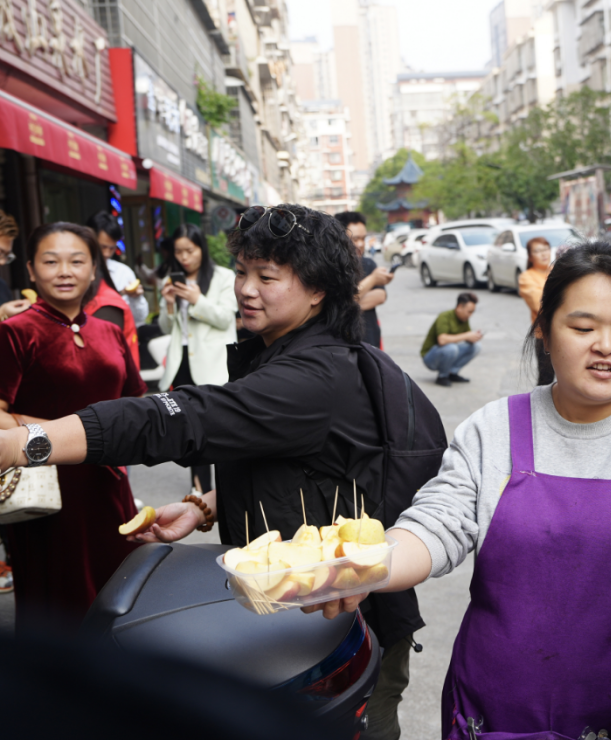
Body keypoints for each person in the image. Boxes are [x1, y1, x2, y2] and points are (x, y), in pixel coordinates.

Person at [0, 205, 433, 740]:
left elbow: (176, 418)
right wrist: (207, 503)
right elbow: (285, 458)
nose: (246, 289)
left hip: (339, 629)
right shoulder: (282, 350)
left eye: (267, 277)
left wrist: (23, 443)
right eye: (244, 272)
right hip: (293, 613)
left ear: (318, 291)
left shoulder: (313, 375)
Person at [382, 241, 611, 737]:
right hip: (499, 707)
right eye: (583, 328)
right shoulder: (493, 428)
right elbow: (437, 523)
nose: (606, 345)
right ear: (543, 330)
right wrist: (363, 567)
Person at [0, 223, 145, 632]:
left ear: (94, 267)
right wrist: (75, 436)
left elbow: (135, 403)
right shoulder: (14, 333)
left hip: (109, 481)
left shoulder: (111, 332)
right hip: (46, 490)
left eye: (77, 260)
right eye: (50, 261)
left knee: (117, 590)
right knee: (58, 604)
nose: (65, 270)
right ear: (30, 270)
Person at [156, 224, 237, 492]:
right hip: (183, 364)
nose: (184, 257)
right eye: (178, 251)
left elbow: (226, 317)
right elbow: (167, 328)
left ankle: (227, 486)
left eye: (190, 250)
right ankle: (200, 488)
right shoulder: (171, 278)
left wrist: (197, 300)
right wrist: (168, 303)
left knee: (220, 428)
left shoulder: (224, 277)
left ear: (201, 248)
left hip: (213, 364)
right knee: (191, 427)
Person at [334, 211, 394, 348]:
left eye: (363, 238)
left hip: (371, 340)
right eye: (355, 239)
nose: (360, 244)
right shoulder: (332, 268)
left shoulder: (368, 264)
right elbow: (342, 303)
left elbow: (380, 296)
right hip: (342, 344)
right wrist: (372, 280)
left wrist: (344, 307)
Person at [86, 211, 148, 326]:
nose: (106, 253)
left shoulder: (123, 272)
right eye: (102, 247)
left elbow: (140, 318)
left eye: (112, 248)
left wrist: (136, 298)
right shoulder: (77, 271)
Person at [420, 292, 481, 387]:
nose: (471, 315)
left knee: (476, 346)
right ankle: (442, 376)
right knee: (452, 348)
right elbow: (442, 340)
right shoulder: (444, 316)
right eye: (469, 311)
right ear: (460, 307)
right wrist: (466, 335)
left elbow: (466, 337)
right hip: (430, 358)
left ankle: (452, 373)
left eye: (472, 312)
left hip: (447, 352)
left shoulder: (464, 319)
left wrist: (474, 337)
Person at [517, 236, 555, 385]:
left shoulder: (559, 271)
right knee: (546, 379)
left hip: (569, 331)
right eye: (537, 251)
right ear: (530, 257)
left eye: (546, 249)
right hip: (544, 335)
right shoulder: (526, 277)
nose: (543, 254)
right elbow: (539, 304)